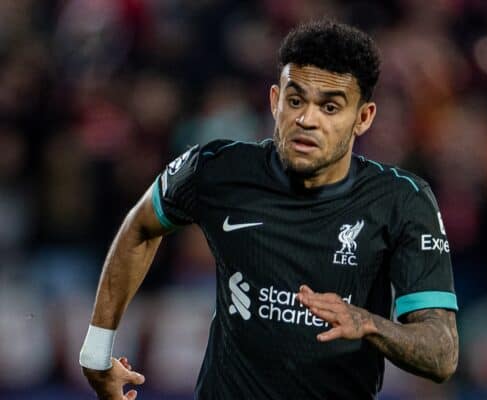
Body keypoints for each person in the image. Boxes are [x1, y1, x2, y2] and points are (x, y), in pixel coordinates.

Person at [79, 20, 459, 400]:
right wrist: (96, 352)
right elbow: (140, 228)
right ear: (275, 100)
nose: (307, 120)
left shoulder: (401, 200)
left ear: (363, 118)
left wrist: (369, 324)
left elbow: (441, 354)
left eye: (330, 106)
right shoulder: (216, 169)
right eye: (296, 100)